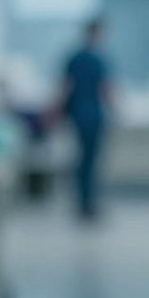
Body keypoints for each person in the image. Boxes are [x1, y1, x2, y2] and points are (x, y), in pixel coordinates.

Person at [56, 17, 114, 222]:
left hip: (80, 115)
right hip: (92, 115)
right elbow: (105, 90)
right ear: (96, 33)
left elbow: (65, 87)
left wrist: (56, 111)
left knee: (83, 159)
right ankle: (87, 203)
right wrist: (115, 109)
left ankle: (84, 202)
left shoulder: (75, 57)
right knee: (88, 161)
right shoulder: (97, 59)